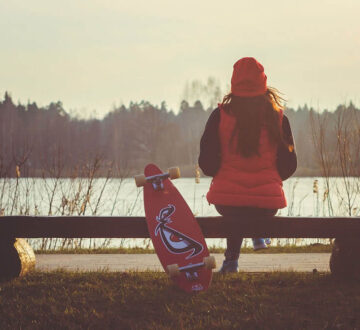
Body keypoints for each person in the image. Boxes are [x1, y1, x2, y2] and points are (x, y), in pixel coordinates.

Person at [198, 57, 297, 273]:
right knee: (252, 206)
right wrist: (270, 178)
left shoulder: (219, 117)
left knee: (237, 208)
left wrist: (220, 171)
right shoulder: (279, 119)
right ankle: (258, 233)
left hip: (226, 201)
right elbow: (290, 165)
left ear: (234, 85)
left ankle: (231, 261)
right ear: (263, 84)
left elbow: (206, 164)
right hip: (267, 203)